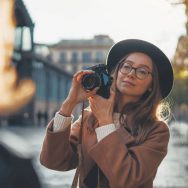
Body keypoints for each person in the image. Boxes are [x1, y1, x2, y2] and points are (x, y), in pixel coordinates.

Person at [40, 39, 174, 188]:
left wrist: (105, 120)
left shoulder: (157, 130)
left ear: (151, 85)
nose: (130, 74)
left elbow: (128, 179)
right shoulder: (89, 117)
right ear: (116, 71)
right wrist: (68, 104)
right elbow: (54, 161)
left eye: (142, 71)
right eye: (126, 66)